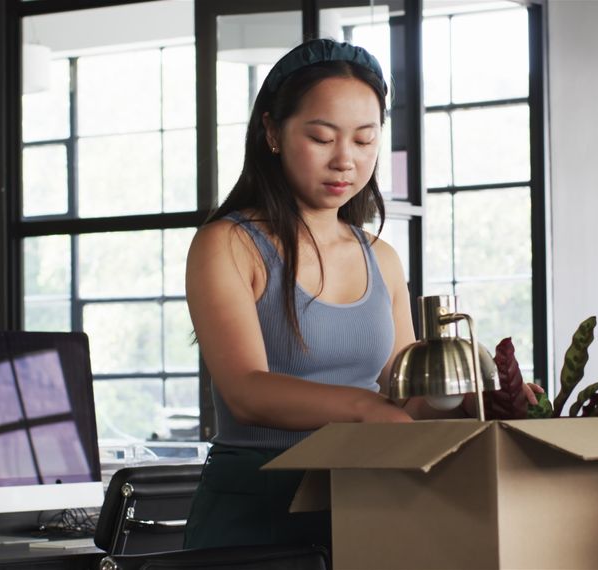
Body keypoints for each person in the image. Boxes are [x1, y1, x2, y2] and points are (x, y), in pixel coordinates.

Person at [183, 39, 540, 552]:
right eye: (322, 137)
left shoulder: (381, 258)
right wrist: (362, 407)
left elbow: (406, 400)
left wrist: (469, 398)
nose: (345, 160)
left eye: (364, 140)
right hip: (256, 509)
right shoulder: (228, 245)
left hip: (366, 499)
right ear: (272, 133)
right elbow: (246, 391)